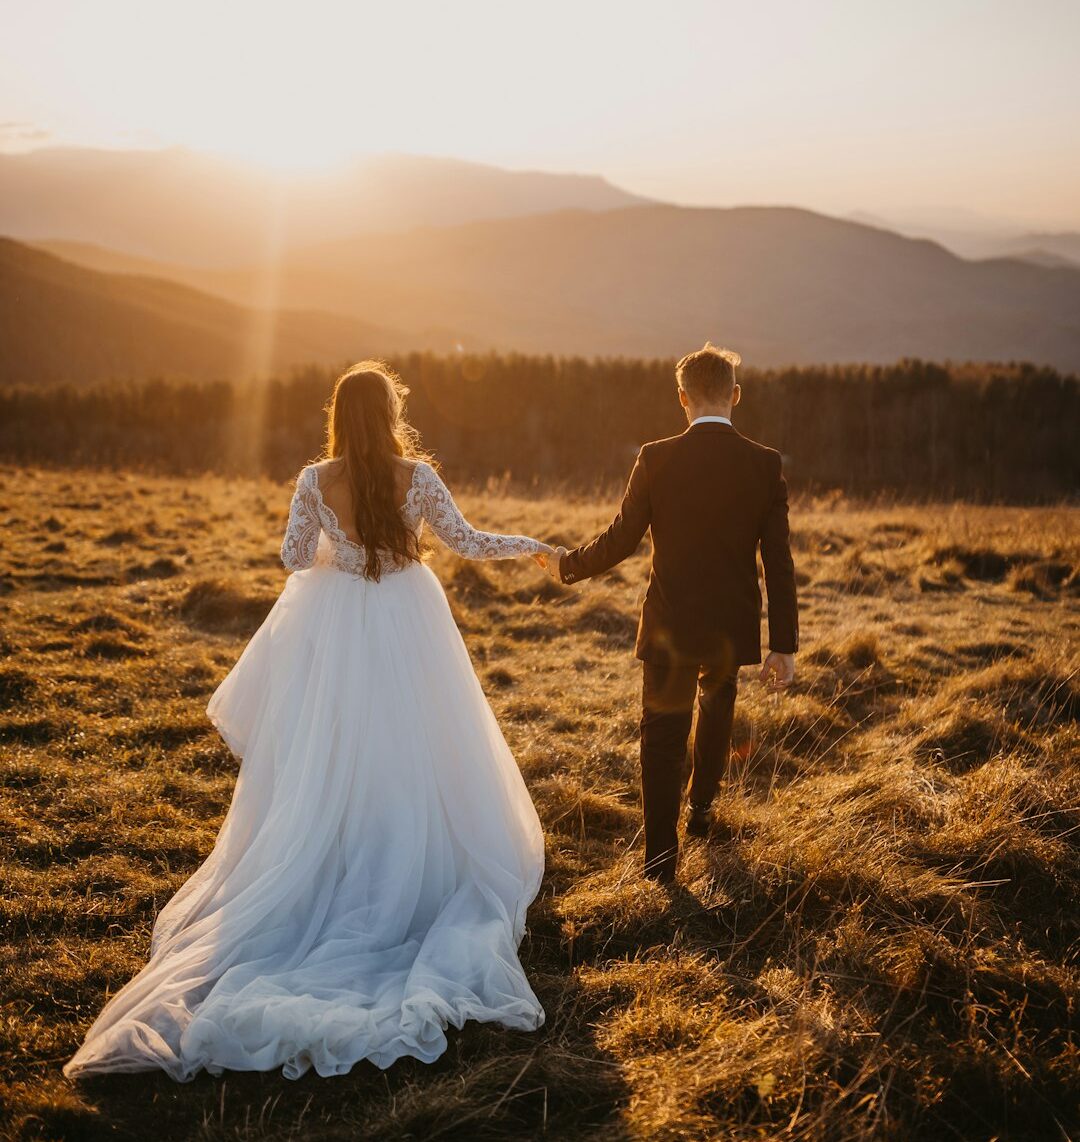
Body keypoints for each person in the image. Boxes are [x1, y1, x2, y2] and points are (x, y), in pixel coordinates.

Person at [63, 361, 554, 1081]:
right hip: (409, 617)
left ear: (336, 414)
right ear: (390, 412)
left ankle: (344, 846)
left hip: (339, 625)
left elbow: (294, 558)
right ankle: (408, 848)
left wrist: (336, 547)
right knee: (416, 744)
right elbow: (468, 540)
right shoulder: (415, 474)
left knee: (334, 753)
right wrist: (534, 548)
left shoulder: (314, 479)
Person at [538, 343, 798, 884]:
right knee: (717, 708)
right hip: (732, 626)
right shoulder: (765, 464)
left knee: (661, 738)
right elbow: (779, 562)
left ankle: (661, 861)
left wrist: (567, 566)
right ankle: (702, 810)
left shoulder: (655, 457)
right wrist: (783, 646)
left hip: (669, 623)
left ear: (681, 397)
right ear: (737, 395)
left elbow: (620, 539)